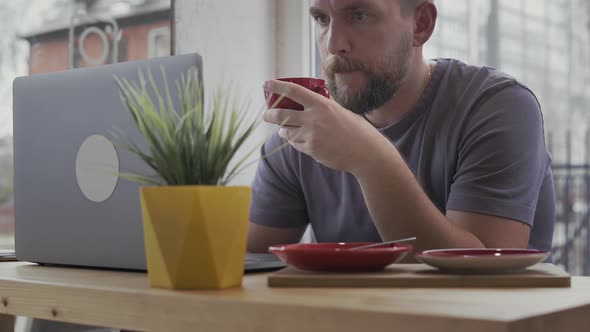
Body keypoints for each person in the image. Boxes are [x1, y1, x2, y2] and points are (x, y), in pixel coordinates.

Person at [247, 0, 555, 257]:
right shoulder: (306, 133)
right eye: (322, 19)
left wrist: (371, 160)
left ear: (420, 23)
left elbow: (484, 280)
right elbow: (245, 267)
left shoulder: (496, 107)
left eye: (358, 15)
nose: (333, 44)